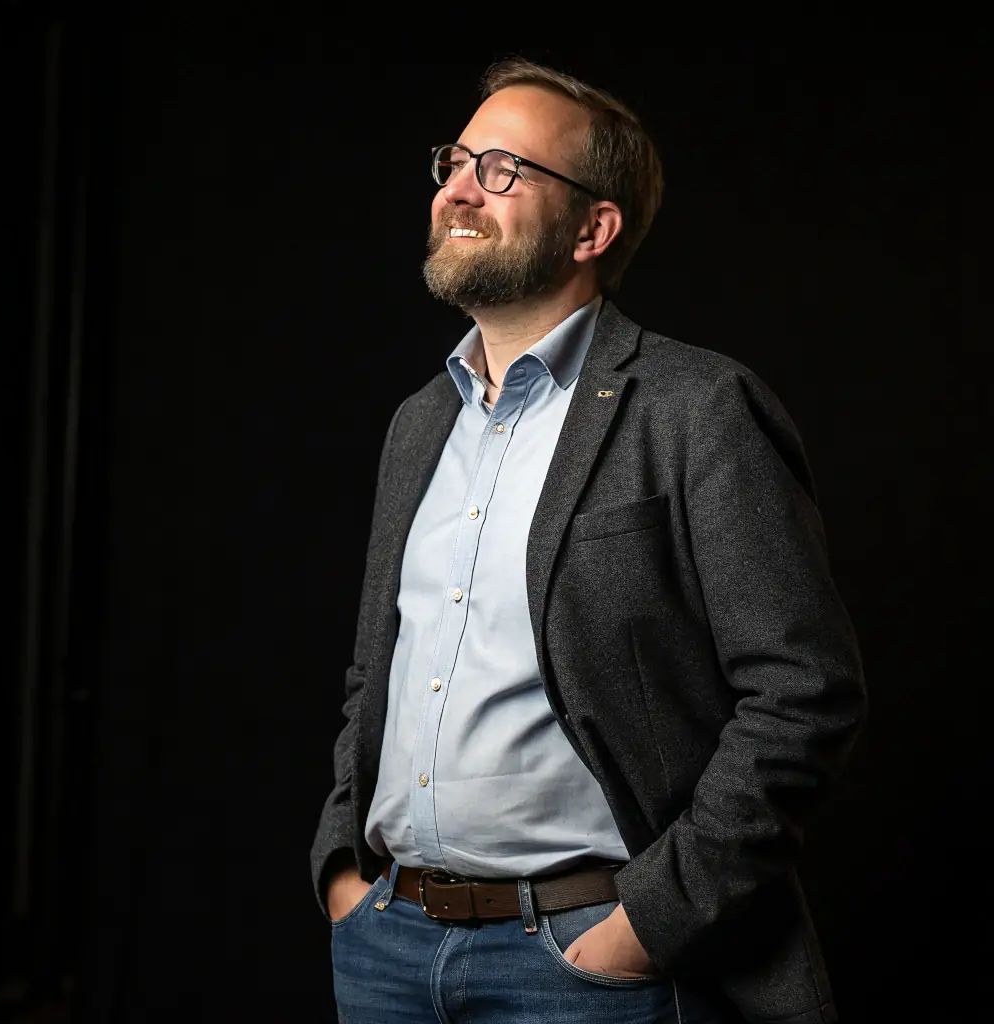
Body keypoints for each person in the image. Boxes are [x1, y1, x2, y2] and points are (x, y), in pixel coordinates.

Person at [311, 58, 866, 1024]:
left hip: (582, 965)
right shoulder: (418, 426)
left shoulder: (696, 409)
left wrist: (645, 925)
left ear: (593, 228)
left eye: (502, 167)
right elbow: (376, 672)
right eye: (454, 159)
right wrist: (341, 876)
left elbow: (803, 694)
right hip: (388, 949)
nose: (458, 185)